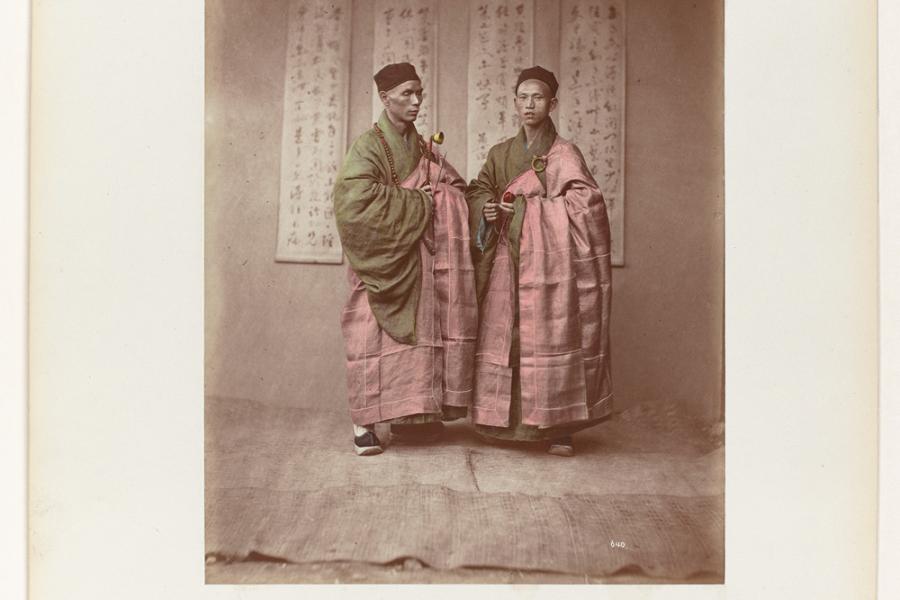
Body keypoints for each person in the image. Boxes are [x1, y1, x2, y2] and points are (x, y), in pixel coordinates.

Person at [466, 65, 613, 456]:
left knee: (548, 337)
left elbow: (586, 204)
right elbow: (479, 190)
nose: (530, 105)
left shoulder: (564, 154)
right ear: (514, 102)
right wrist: (488, 210)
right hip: (504, 259)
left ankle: (558, 425)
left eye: (538, 98)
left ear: (552, 103)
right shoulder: (500, 153)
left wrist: (527, 214)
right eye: (523, 97)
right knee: (505, 337)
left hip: (547, 264)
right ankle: (499, 421)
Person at [333, 62, 477, 456]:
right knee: (368, 334)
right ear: (385, 98)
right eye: (406, 94)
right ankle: (363, 424)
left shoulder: (424, 147)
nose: (415, 102)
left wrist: (442, 198)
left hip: (421, 260)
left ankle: (412, 420)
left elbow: (455, 188)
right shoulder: (368, 146)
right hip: (382, 261)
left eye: (419, 93)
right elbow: (353, 204)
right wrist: (418, 202)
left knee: (418, 343)